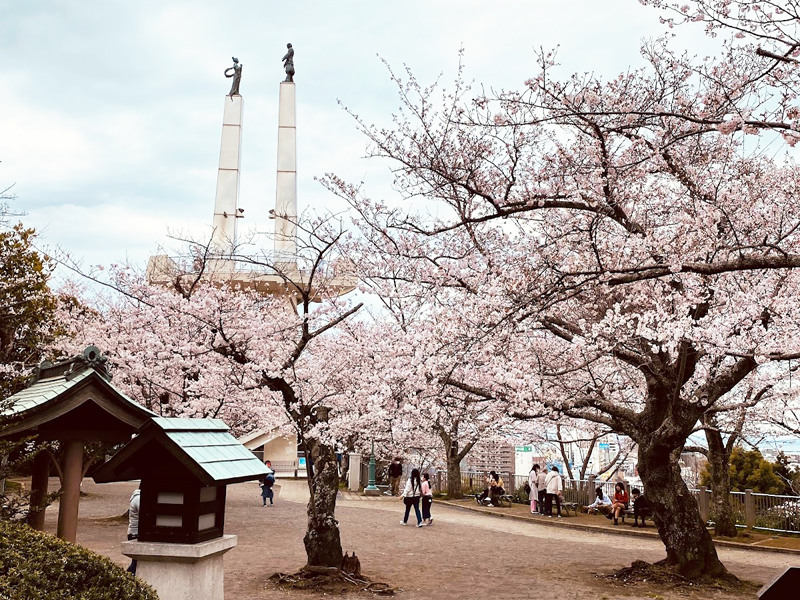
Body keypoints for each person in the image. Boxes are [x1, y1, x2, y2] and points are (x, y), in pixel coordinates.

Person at [126, 487, 140, 574]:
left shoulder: (137, 497)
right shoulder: (138, 498)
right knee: (136, 562)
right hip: (135, 533)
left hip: (134, 532)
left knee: (136, 561)